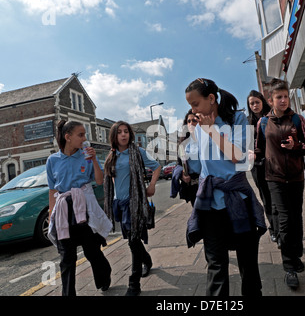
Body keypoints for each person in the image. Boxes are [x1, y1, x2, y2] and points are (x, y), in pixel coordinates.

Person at [185, 78, 267, 296]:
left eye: (195, 104)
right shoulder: (199, 127)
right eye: (190, 106)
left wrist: (211, 130)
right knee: (215, 265)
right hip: (211, 205)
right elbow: (197, 167)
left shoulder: (238, 118)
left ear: (211, 98)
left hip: (238, 200)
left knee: (248, 265)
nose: (192, 110)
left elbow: (239, 158)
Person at [256, 78, 305, 290]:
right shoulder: (262, 123)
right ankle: (289, 266)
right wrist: (250, 156)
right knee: (285, 218)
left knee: (296, 217)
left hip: (296, 177)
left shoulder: (298, 120)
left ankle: (295, 255)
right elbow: (259, 149)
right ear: (270, 100)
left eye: (285, 96)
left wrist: (295, 146)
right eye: (278, 97)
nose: (283, 100)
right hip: (275, 178)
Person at [47, 120, 113, 296]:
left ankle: (104, 277)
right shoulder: (52, 160)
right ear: (68, 137)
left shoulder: (87, 155)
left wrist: (94, 160)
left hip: (84, 208)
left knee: (92, 252)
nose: (85, 138)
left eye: (85, 134)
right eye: (81, 135)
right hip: (63, 211)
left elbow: (99, 181)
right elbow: (53, 189)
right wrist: (50, 213)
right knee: (67, 258)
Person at [103, 121, 161, 296]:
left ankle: (134, 284)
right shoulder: (111, 156)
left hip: (134, 203)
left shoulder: (137, 152)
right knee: (132, 241)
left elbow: (157, 167)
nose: (123, 134)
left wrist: (152, 185)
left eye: (126, 131)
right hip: (119, 203)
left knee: (133, 241)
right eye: (119, 132)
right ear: (114, 136)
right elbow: (109, 179)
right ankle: (147, 260)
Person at [247, 90, 280, 246]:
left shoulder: (272, 117)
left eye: (256, 102)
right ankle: (274, 229)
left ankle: (282, 229)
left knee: (277, 197)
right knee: (266, 198)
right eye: (251, 103)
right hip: (258, 166)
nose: (254, 105)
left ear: (262, 102)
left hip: (274, 164)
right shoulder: (247, 122)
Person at [170, 109, 201, 207]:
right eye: (188, 121)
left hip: (206, 183)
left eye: (194, 120)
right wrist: (182, 176)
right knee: (198, 216)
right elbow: (179, 164)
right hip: (192, 186)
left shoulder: (207, 139)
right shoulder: (183, 144)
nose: (191, 123)